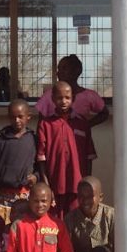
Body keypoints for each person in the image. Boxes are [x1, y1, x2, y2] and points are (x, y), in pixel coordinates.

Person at [35, 55, 110, 154]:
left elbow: (104, 113)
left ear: (77, 71)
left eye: (64, 68)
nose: (59, 72)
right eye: (59, 69)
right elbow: (41, 125)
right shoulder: (49, 95)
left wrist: (86, 125)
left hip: (79, 146)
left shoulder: (89, 96)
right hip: (55, 148)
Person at [35, 82, 84, 215]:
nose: (63, 101)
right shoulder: (45, 124)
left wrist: (84, 184)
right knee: (55, 222)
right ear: (53, 99)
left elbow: (88, 157)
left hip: (77, 184)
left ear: (72, 98)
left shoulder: (81, 123)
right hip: (55, 183)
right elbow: (41, 158)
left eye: (67, 98)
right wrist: (46, 185)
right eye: (59, 98)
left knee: (75, 221)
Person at [0, 99, 38, 220]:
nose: (17, 121)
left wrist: (36, 177)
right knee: (4, 230)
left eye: (20, 117)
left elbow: (40, 166)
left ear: (28, 116)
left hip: (26, 195)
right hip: (4, 196)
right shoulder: (1, 138)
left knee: (23, 228)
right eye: (13, 117)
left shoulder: (33, 139)